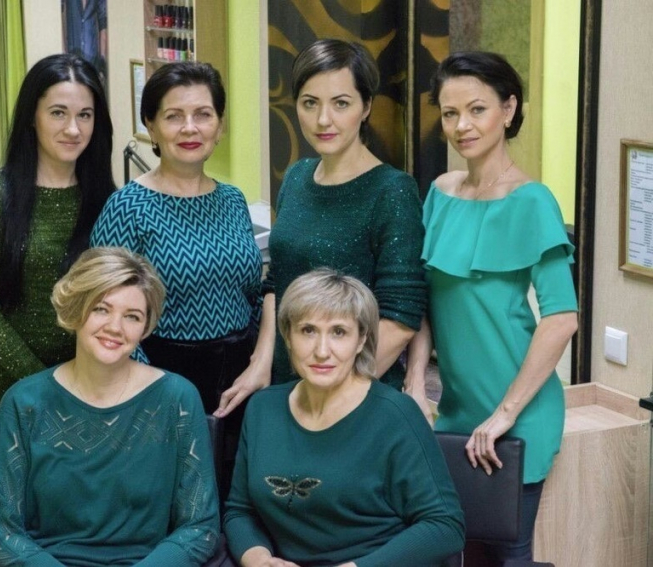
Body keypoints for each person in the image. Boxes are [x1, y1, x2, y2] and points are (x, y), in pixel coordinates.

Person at [406, 51, 578, 562]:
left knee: (509, 557)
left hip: (518, 414)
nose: (462, 125)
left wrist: (505, 414)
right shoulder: (440, 193)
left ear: (508, 109)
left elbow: (562, 318)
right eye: (450, 113)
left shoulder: (533, 201)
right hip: (455, 411)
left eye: (477, 109)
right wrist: (415, 382)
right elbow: (423, 300)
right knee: (453, 550)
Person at [0, 247, 220, 566]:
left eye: (132, 316)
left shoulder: (178, 399)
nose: (115, 327)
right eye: (101, 309)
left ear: (145, 327)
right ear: (76, 309)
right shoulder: (24, 403)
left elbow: (200, 528)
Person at [90, 61, 263, 484]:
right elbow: (101, 313)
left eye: (203, 114)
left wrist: (258, 365)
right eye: (173, 116)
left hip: (241, 384)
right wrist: (155, 390)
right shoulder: (127, 207)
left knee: (235, 499)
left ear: (220, 125)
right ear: (151, 126)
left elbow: (253, 295)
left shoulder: (233, 200)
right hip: (160, 383)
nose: (190, 128)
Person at [224, 269, 465, 566]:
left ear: (361, 339)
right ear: (287, 336)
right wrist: (259, 559)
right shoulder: (263, 408)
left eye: (339, 332)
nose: (322, 351)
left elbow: (445, 526)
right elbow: (240, 511)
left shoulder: (396, 415)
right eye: (308, 330)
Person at [252, 39, 426, 396]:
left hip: (356, 392)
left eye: (341, 103)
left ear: (366, 107)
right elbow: (277, 283)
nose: (323, 120)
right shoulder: (297, 176)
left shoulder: (392, 190)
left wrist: (336, 396)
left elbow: (401, 317)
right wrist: (261, 361)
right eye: (310, 103)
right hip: (288, 382)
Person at [0, 53, 115, 458]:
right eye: (58, 113)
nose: (73, 129)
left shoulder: (108, 200)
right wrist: (50, 385)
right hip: (12, 397)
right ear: (32, 116)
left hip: (94, 396)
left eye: (85, 115)